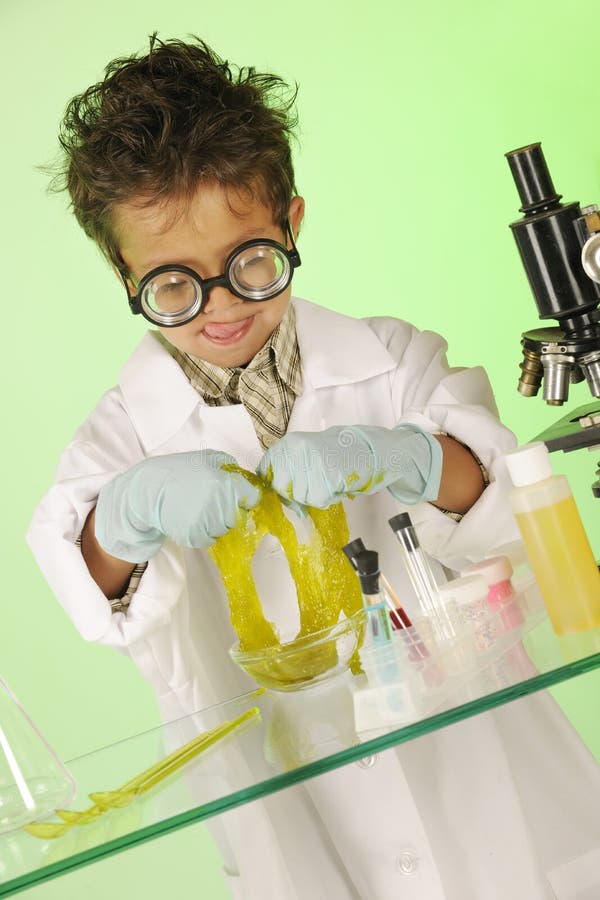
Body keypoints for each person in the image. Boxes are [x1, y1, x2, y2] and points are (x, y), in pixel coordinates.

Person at [27, 35, 600, 900]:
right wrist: (125, 516)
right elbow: (90, 585)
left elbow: (497, 494)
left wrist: (398, 455)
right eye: (173, 286)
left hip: (486, 775)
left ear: (291, 225)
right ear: (123, 270)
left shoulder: (393, 358)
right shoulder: (120, 440)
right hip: (291, 800)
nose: (218, 307)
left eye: (250, 263)